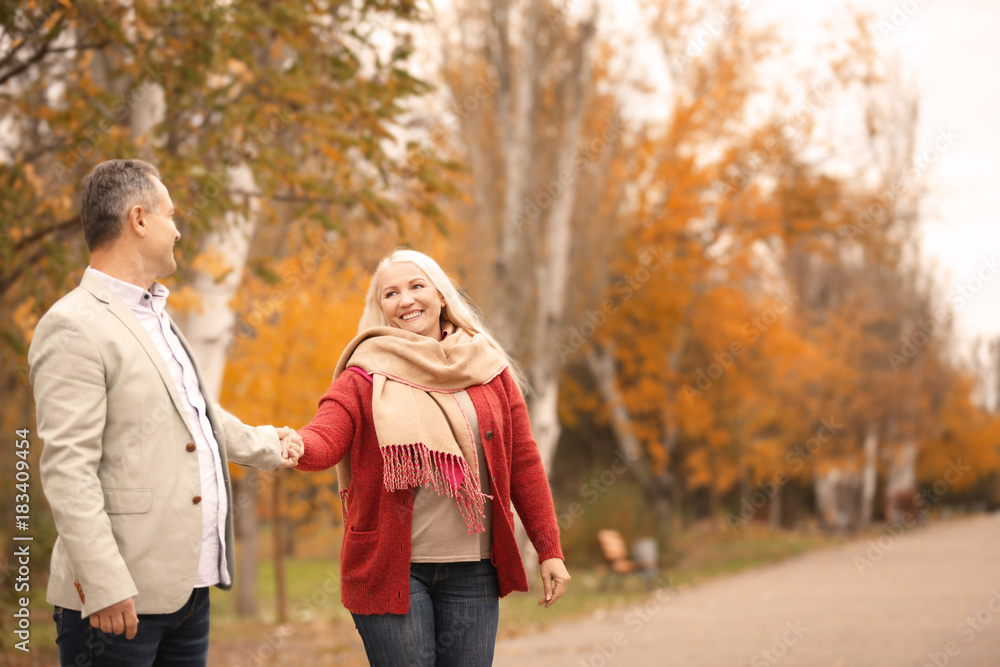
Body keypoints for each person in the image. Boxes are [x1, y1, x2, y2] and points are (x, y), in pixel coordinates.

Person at [28, 158, 304, 666]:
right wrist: (104, 583)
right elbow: (68, 471)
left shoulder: (156, 315)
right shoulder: (72, 325)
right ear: (138, 219)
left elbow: (193, 413)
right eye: (170, 215)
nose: (177, 230)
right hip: (118, 602)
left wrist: (271, 444)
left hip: (185, 595)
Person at [294, 248, 570, 666]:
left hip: (474, 572)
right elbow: (325, 435)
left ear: (441, 295)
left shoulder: (486, 367)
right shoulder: (365, 373)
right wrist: (294, 445)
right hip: (392, 571)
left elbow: (523, 463)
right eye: (391, 293)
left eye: (416, 286)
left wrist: (549, 549)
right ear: (381, 307)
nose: (405, 300)